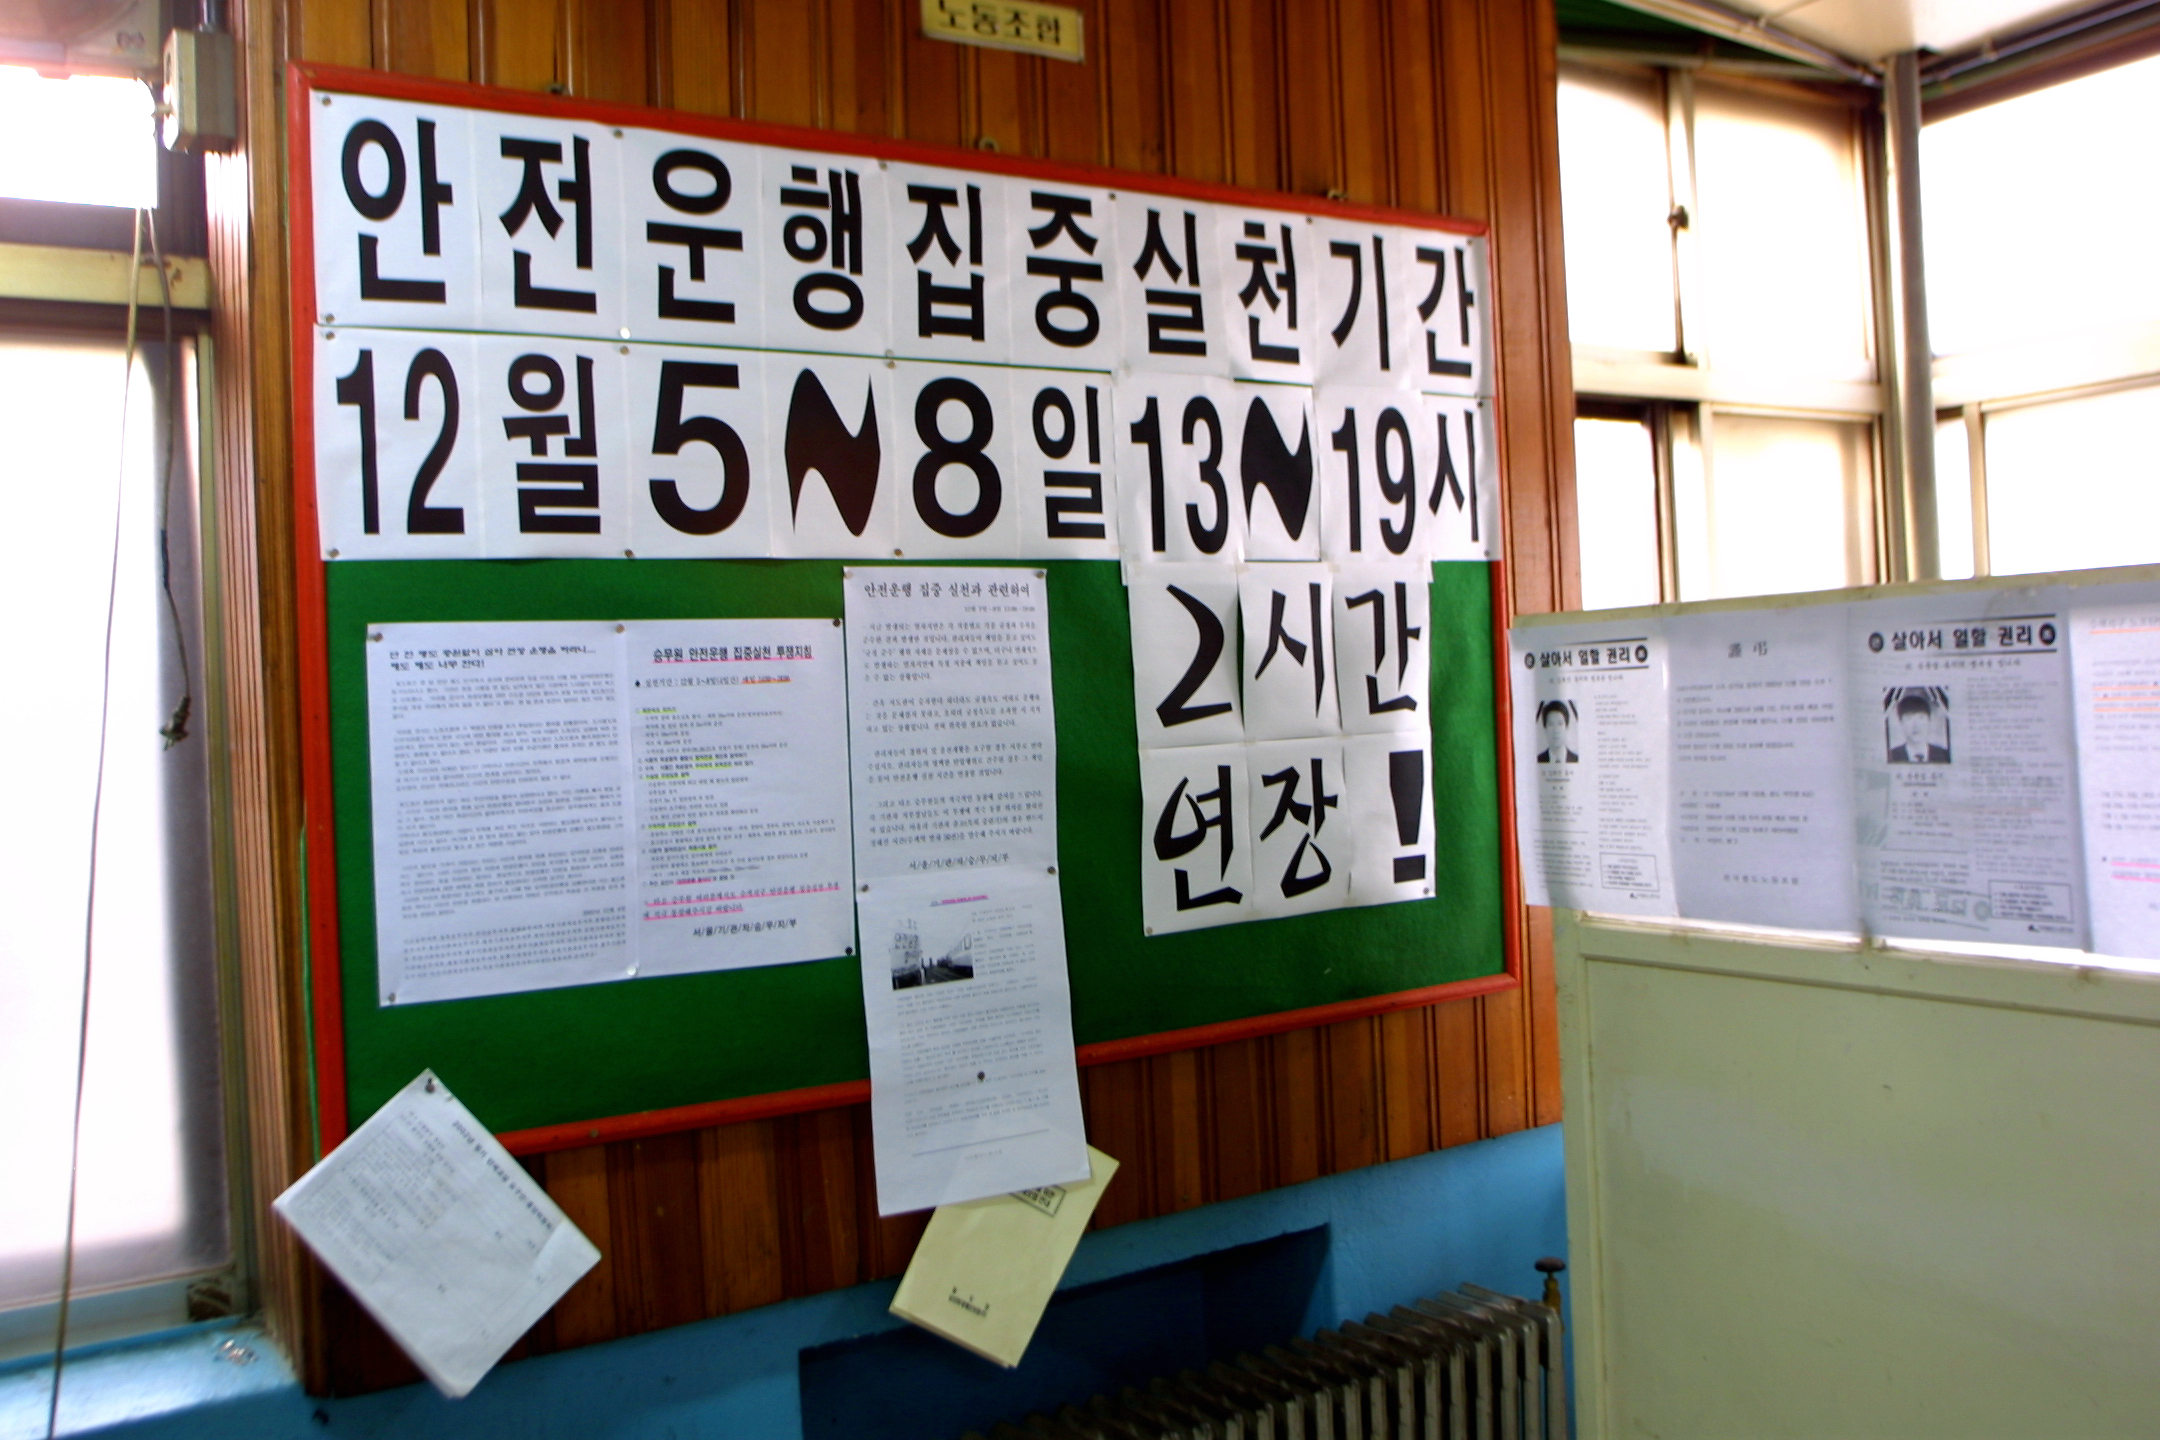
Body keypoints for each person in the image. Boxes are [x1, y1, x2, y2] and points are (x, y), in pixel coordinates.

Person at [1888, 691, 1951, 764]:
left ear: (1929, 720)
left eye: (1921, 718)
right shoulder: (1892, 756)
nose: (1916, 725)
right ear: (1901, 722)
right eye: (1909, 718)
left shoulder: (1944, 755)